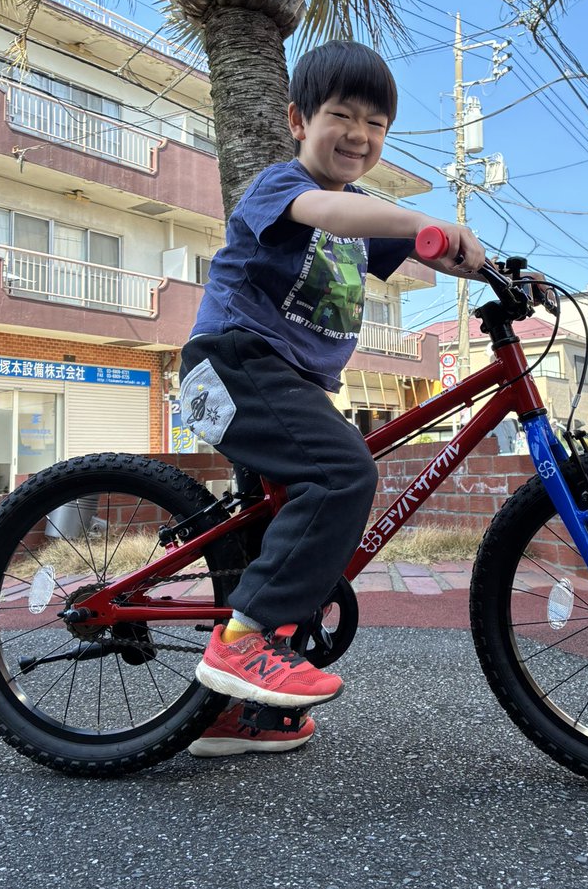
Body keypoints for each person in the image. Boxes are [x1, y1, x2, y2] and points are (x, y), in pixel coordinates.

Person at [179, 40, 485, 757]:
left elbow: (431, 252)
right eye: (341, 115)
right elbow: (338, 217)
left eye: (376, 123)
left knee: (269, 534)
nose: (359, 134)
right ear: (297, 120)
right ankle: (243, 643)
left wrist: (500, 272)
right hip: (235, 365)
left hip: (286, 386)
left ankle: (230, 713)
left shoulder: (361, 216)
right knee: (342, 472)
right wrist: (416, 220)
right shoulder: (282, 188)